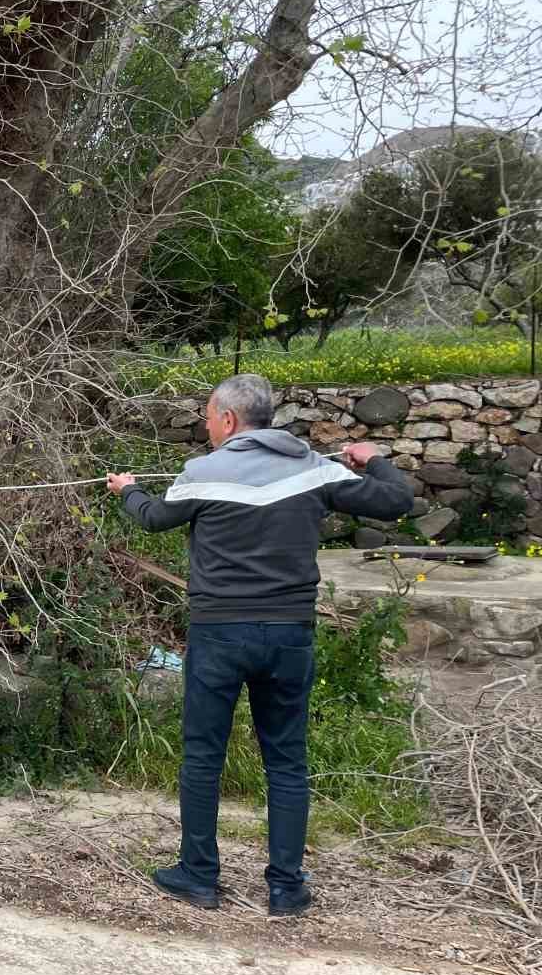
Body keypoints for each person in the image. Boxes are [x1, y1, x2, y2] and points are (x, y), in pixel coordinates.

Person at [107, 374, 414, 917]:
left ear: (228, 420)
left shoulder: (203, 473)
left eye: (208, 417)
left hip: (219, 635)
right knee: (287, 761)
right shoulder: (316, 469)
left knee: (204, 756)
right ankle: (286, 889)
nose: (206, 426)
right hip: (291, 635)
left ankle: (198, 876)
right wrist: (372, 459)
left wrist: (127, 489)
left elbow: (153, 518)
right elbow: (397, 499)